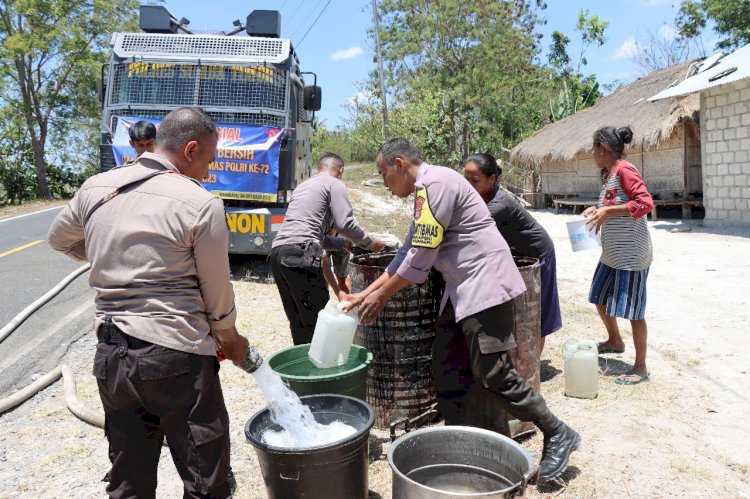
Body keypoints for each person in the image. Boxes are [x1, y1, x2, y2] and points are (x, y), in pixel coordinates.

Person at [344, 138, 580, 482]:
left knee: (494, 372)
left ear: (399, 164)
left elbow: (421, 259)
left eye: (383, 174)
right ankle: (462, 446)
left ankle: (557, 431)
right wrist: (367, 292)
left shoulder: (434, 184)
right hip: (462, 291)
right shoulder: (427, 192)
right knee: (449, 366)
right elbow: (405, 253)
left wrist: (381, 297)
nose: (383, 181)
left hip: (484, 285)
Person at [48, 107, 252, 498]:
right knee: (205, 479)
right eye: (208, 161)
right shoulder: (199, 202)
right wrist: (231, 339)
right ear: (191, 149)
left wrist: (117, 256)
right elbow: (216, 293)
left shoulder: (96, 187)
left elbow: (60, 238)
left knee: (130, 479)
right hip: (176, 360)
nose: (208, 172)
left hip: (111, 357)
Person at [270, 152, 385, 345]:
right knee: (319, 322)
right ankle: (322, 372)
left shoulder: (304, 186)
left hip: (277, 254)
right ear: (341, 170)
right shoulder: (335, 183)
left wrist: (343, 243)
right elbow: (345, 224)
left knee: (299, 321)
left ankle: (303, 368)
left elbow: (312, 234)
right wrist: (371, 244)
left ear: (319, 168)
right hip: (302, 254)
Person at [463, 153, 562, 354]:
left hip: (539, 255)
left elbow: (468, 228)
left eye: (474, 181)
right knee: (519, 310)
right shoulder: (480, 198)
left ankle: (533, 365)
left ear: (491, 180)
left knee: (536, 312)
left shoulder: (500, 204)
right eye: (465, 180)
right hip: (518, 257)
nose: (468, 185)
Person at [583, 125, 654, 385]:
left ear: (603, 148)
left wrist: (607, 212)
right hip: (612, 253)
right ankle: (614, 340)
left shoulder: (625, 170)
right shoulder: (608, 174)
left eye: (593, 148)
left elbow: (645, 203)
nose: (592, 153)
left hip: (632, 256)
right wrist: (596, 209)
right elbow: (611, 204)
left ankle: (641, 367)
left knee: (635, 311)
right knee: (599, 297)